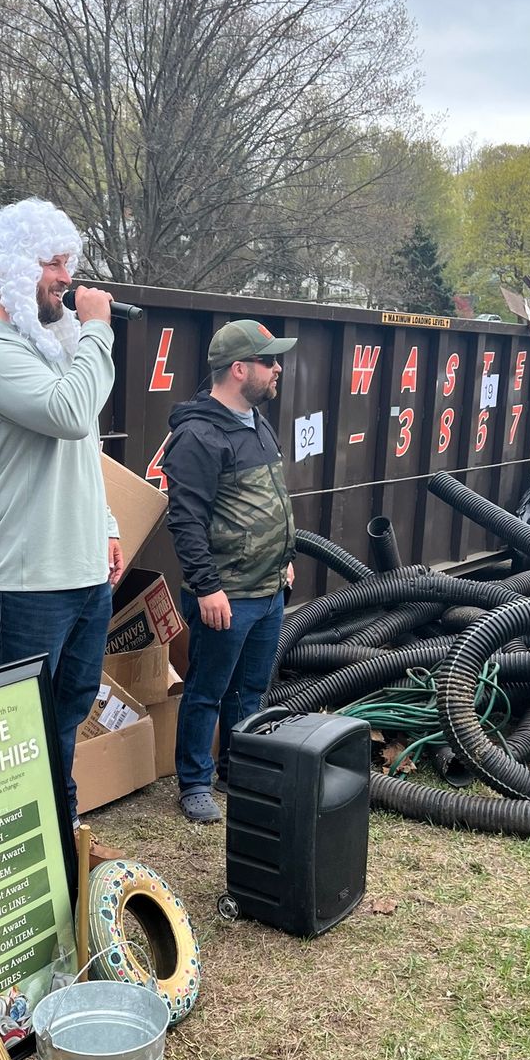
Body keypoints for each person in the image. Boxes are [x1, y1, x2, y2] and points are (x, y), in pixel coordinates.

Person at [0, 198, 123, 827]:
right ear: (15, 269)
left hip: (82, 575)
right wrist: (99, 330)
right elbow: (70, 414)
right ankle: (12, 838)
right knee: (13, 730)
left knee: (69, 711)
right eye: (54, 264)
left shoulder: (56, 350)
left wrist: (105, 526)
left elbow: (84, 449)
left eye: (68, 263)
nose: (68, 279)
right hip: (25, 583)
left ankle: (60, 825)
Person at [162, 319, 298, 823]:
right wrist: (207, 587)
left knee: (253, 690)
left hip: (267, 591)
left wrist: (283, 560)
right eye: (268, 361)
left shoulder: (257, 424)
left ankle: (237, 767)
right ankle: (195, 782)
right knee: (207, 690)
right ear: (240, 369)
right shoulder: (198, 435)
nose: (277, 367)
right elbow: (186, 520)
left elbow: (269, 502)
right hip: (227, 596)